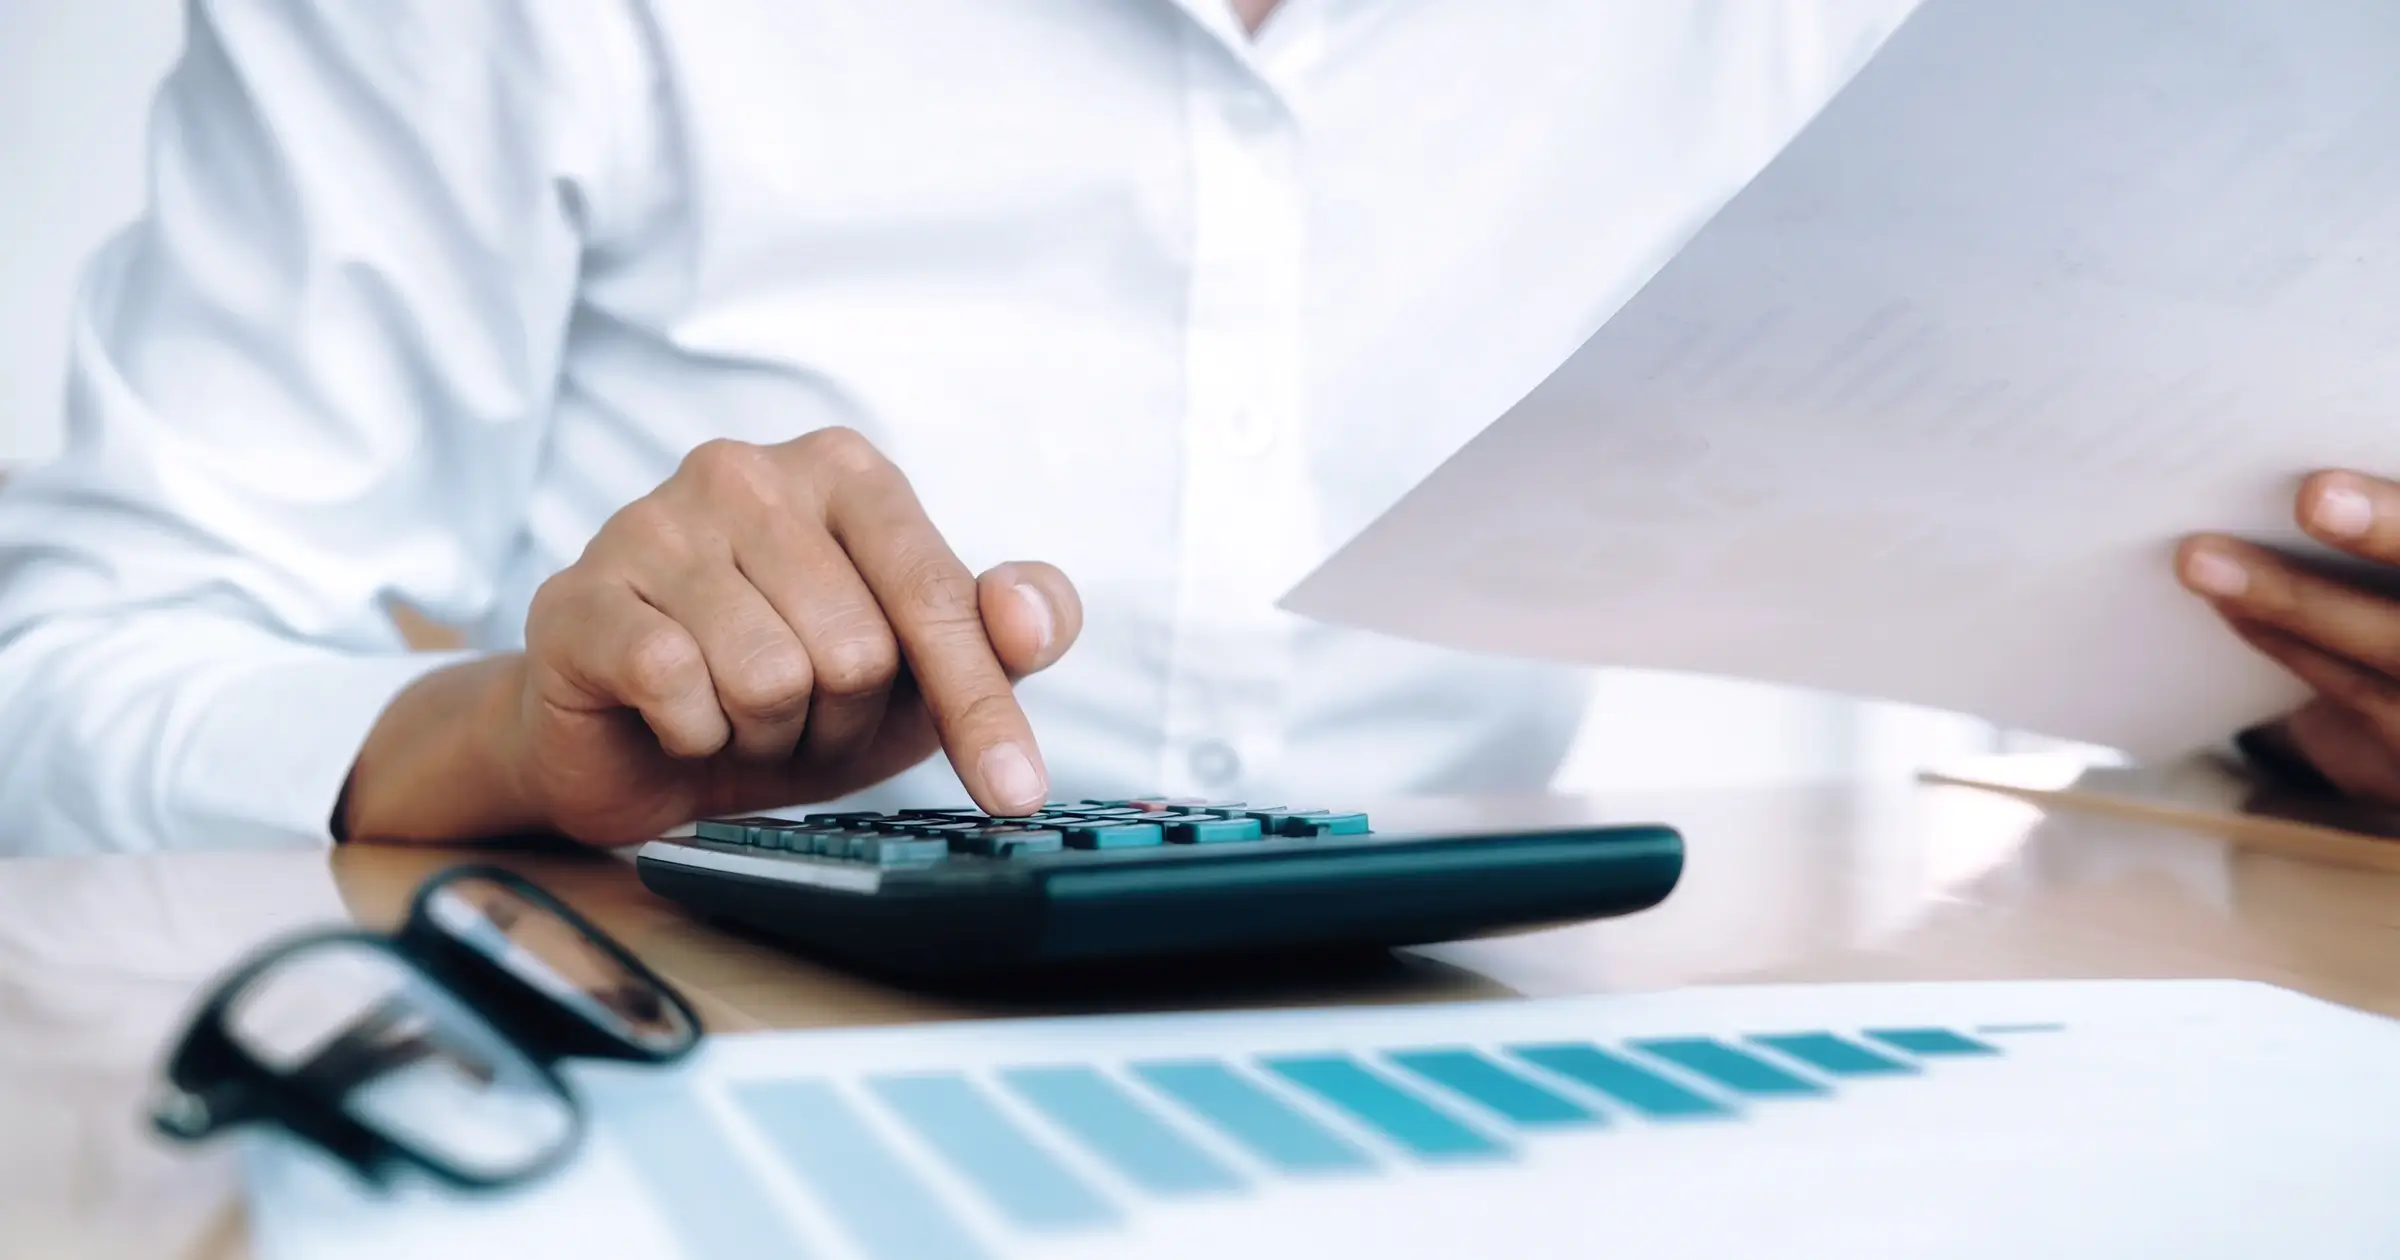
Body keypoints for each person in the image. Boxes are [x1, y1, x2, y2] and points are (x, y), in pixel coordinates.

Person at [1, 1, 2392, 856]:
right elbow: (61, 686)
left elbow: (2095, 688)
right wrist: (504, 740)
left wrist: (2313, 726)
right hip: (741, 1107)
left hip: (1600, 1105)